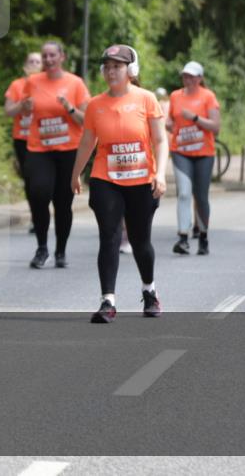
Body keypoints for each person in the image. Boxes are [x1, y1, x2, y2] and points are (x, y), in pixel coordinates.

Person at [71, 44, 166, 323]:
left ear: (130, 70)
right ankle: (107, 301)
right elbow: (88, 141)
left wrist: (159, 174)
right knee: (109, 237)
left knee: (140, 240)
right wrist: (76, 172)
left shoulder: (147, 99)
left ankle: (149, 291)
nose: (112, 72)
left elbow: (160, 140)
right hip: (106, 179)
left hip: (141, 181)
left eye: (118, 66)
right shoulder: (95, 105)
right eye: (108, 67)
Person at [23, 41, 91, 268]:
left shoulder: (75, 83)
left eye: (53, 55)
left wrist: (69, 108)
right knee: (38, 193)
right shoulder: (32, 82)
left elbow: (87, 121)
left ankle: (60, 250)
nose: (49, 59)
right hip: (39, 148)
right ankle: (42, 248)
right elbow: (20, 108)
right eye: (45, 56)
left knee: (63, 203)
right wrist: (24, 107)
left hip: (68, 150)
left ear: (62, 56)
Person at [165, 61, 221, 256]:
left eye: (191, 76)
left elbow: (215, 127)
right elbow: (170, 120)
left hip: (204, 153)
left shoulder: (208, 97)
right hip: (181, 151)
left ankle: (203, 237)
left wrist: (195, 118)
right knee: (183, 194)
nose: (187, 79)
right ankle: (182, 238)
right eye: (185, 76)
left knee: (201, 196)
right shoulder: (175, 96)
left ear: (199, 78)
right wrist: (170, 124)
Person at [3, 52, 43, 217]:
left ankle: (43, 211)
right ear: (25, 66)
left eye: (37, 61)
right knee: (30, 180)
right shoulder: (16, 85)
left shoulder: (48, 84)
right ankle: (36, 215)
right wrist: (22, 105)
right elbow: (8, 111)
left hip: (44, 140)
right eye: (31, 61)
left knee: (44, 180)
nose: (34, 64)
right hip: (23, 139)